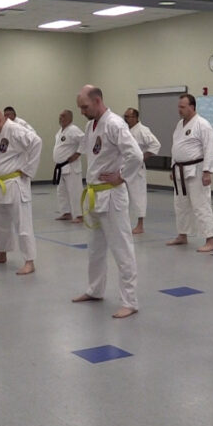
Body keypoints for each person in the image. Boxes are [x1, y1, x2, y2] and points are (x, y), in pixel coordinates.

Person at [70, 85, 143, 318]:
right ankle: (95, 290)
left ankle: (130, 301)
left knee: (122, 249)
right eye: (80, 108)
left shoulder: (115, 124)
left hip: (112, 196)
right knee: (95, 249)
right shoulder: (90, 125)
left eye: (85, 107)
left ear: (97, 101)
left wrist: (121, 176)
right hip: (94, 194)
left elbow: (136, 155)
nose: (82, 112)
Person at [0, 108, 42, 275]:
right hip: (1, 185)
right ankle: (2, 253)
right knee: (1, 223)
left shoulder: (15, 129)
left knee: (22, 224)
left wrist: (28, 169)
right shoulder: (1, 132)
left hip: (15, 184)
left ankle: (29, 261)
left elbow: (36, 142)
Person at [167, 94, 213, 252]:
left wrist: (207, 171)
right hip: (179, 170)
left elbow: (210, 148)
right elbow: (176, 147)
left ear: (192, 107)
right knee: (180, 205)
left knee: (201, 205)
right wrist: (173, 166)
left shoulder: (203, 124)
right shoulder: (179, 125)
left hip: (196, 170)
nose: (179, 110)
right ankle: (182, 235)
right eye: (179, 107)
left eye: (182, 107)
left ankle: (210, 239)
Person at [123, 107, 160, 234]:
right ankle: (125, 223)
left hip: (137, 168)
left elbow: (156, 144)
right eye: (125, 116)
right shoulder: (125, 130)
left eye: (128, 117)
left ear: (135, 118)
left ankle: (140, 225)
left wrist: (143, 157)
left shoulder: (143, 130)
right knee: (123, 196)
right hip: (125, 167)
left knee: (138, 196)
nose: (125, 119)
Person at [52, 109, 84, 223]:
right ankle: (66, 213)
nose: (61, 118)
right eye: (60, 116)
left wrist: (77, 153)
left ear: (70, 118)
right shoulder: (60, 131)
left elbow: (85, 140)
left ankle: (80, 215)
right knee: (61, 192)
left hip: (71, 166)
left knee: (75, 191)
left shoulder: (73, 129)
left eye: (63, 116)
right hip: (61, 167)